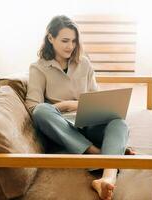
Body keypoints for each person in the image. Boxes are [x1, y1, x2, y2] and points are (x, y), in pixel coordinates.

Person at [25, 15, 134, 200]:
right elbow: (33, 107)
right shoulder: (38, 68)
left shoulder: (84, 63)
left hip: (88, 121)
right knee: (43, 111)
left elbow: (95, 98)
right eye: (65, 40)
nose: (70, 46)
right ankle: (97, 153)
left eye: (74, 41)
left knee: (119, 123)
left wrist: (87, 106)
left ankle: (106, 178)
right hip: (62, 127)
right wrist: (65, 105)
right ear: (50, 38)